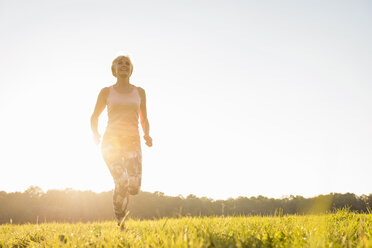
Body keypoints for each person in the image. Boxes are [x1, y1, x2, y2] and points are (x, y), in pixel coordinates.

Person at [90, 55, 152, 227]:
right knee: (122, 181)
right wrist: (95, 134)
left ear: (131, 70)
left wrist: (147, 134)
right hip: (111, 142)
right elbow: (94, 116)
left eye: (127, 64)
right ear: (114, 70)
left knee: (133, 188)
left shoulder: (140, 92)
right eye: (120, 63)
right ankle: (120, 219)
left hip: (133, 142)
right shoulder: (106, 92)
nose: (124, 65)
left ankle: (121, 193)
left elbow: (144, 119)